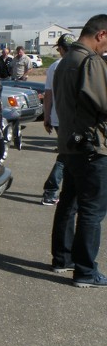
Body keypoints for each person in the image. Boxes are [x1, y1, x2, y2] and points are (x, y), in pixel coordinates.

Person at [51, 14, 107, 286]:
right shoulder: (90, 61)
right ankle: (86, 271)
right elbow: (104, 103)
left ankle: (62, 259)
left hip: (70, 144)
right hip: (91, 145)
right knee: (92, 210)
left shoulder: (64, 62)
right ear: (101, 34)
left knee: (69, 203)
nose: (106, 49)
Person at [40, 33, 75, 206]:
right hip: (73, 120)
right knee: (66, 156)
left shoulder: (55, 66)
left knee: (68, 155)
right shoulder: (81, 63)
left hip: (58, 118)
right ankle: (51, 190)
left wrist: (46, 117)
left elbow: (48, 95)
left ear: (61, 49)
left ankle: (58, 191)